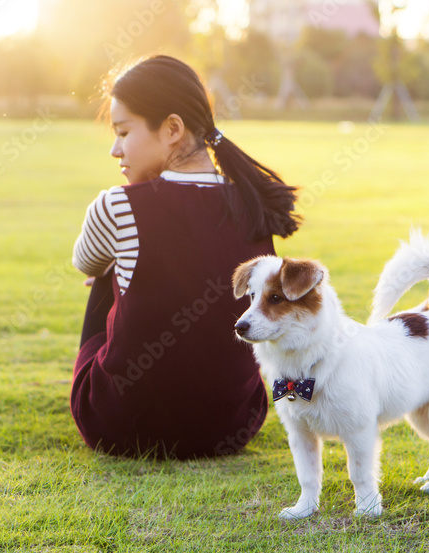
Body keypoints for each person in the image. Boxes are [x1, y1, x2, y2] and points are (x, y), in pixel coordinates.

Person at [70, 55, 300, 459]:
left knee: (109, 270)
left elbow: (84, 263)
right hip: (233, 423)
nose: (114, 149)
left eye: (123, 132)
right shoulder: (252, 204)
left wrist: (115, 270)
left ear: (172, 129)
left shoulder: (118, 204)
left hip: (118, 426)